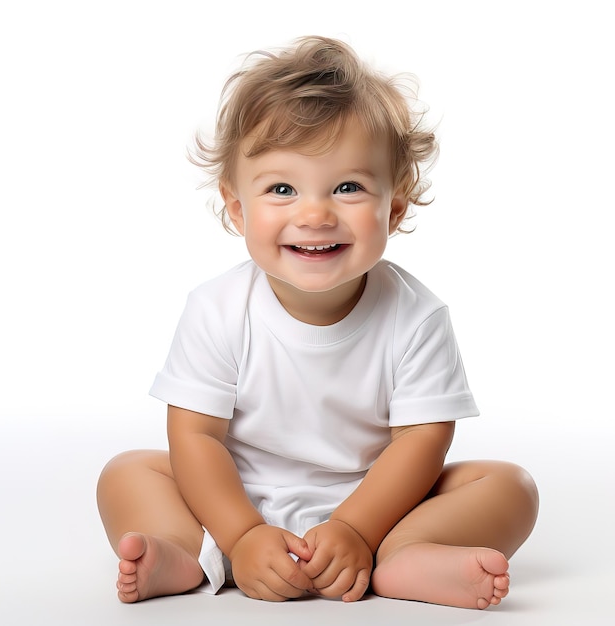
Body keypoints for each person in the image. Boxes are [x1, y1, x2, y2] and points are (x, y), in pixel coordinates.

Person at [96, 35, 538, 610]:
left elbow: (422, 441)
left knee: (510, 487)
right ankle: (190, 551)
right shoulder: (218, 307)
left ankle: (403, 553)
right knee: (128, 472)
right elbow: (195, 436)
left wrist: (356, 527)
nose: (315, 213)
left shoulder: (416, 315)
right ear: (238, 209)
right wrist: (243, 532)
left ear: (394, 209)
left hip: (379, 500)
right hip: (237, 495)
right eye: (282, 189)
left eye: (348, 187)